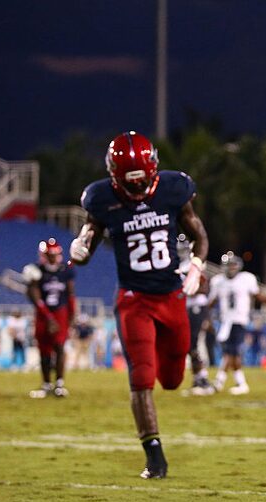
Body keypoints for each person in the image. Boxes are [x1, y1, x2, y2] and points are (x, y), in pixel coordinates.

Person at [69, 131, 209, 480]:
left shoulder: (174, 189)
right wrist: (80, 248)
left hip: (171, 295)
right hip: (134, 300)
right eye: (129, 184)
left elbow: (199, 236)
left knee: (174, 380)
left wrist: (197, 265)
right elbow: (88, 241)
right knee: (141, 377)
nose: (136, 190)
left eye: (142, 181)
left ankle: (162, 386)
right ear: (115, 176)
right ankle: (155, 456)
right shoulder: (101, 199)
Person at [207, 252, 266, 394]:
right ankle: (226, 382)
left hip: (239, 320)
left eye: (233, 265)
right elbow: (211, 302)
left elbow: (258, 296)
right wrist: (205, 316)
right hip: (225, 321)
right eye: (229, 265)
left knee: (232, 352)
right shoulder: (218, 281)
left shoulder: (246, 279)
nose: (231, 268)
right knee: (229, 352)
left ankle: (231, 383)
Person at [23, 238, 75, 398]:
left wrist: (71, 317)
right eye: (50, 254)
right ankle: (46, 384)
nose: (53, 257)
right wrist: (47, 316)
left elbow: (71, 294)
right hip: (43, 314)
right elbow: (33, 295)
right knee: (44, 351)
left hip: (60, 312)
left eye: (55, 254)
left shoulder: (65, 271)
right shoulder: (35, 271)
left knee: (59, 347)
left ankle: (59, 384)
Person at [177, 234, 216, 396]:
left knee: (192, 342)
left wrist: (188, 289)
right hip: (187, 307)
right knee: (188, 344)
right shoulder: (179, 265)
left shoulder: (195, 264)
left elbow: (204, 287)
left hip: (197, 307)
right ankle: (198, 378)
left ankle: (203, 379)